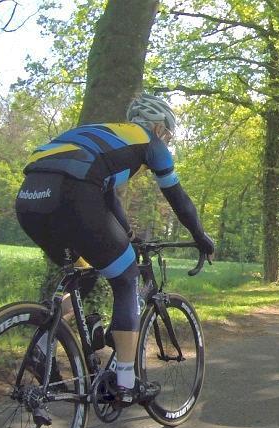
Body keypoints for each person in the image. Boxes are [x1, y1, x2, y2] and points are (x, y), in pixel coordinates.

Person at [15, 93, 215, 404]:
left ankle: (43, 349)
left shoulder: (107, 137)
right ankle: (125, 382)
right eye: (167, 133)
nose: (165, 139)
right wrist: (201, 236)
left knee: (86, 273)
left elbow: (108, 200)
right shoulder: (150, 142)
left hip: (31, 198)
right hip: (74, 193)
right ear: (159, 128)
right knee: (127, 279)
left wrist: (129, 235)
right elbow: (178, 198)